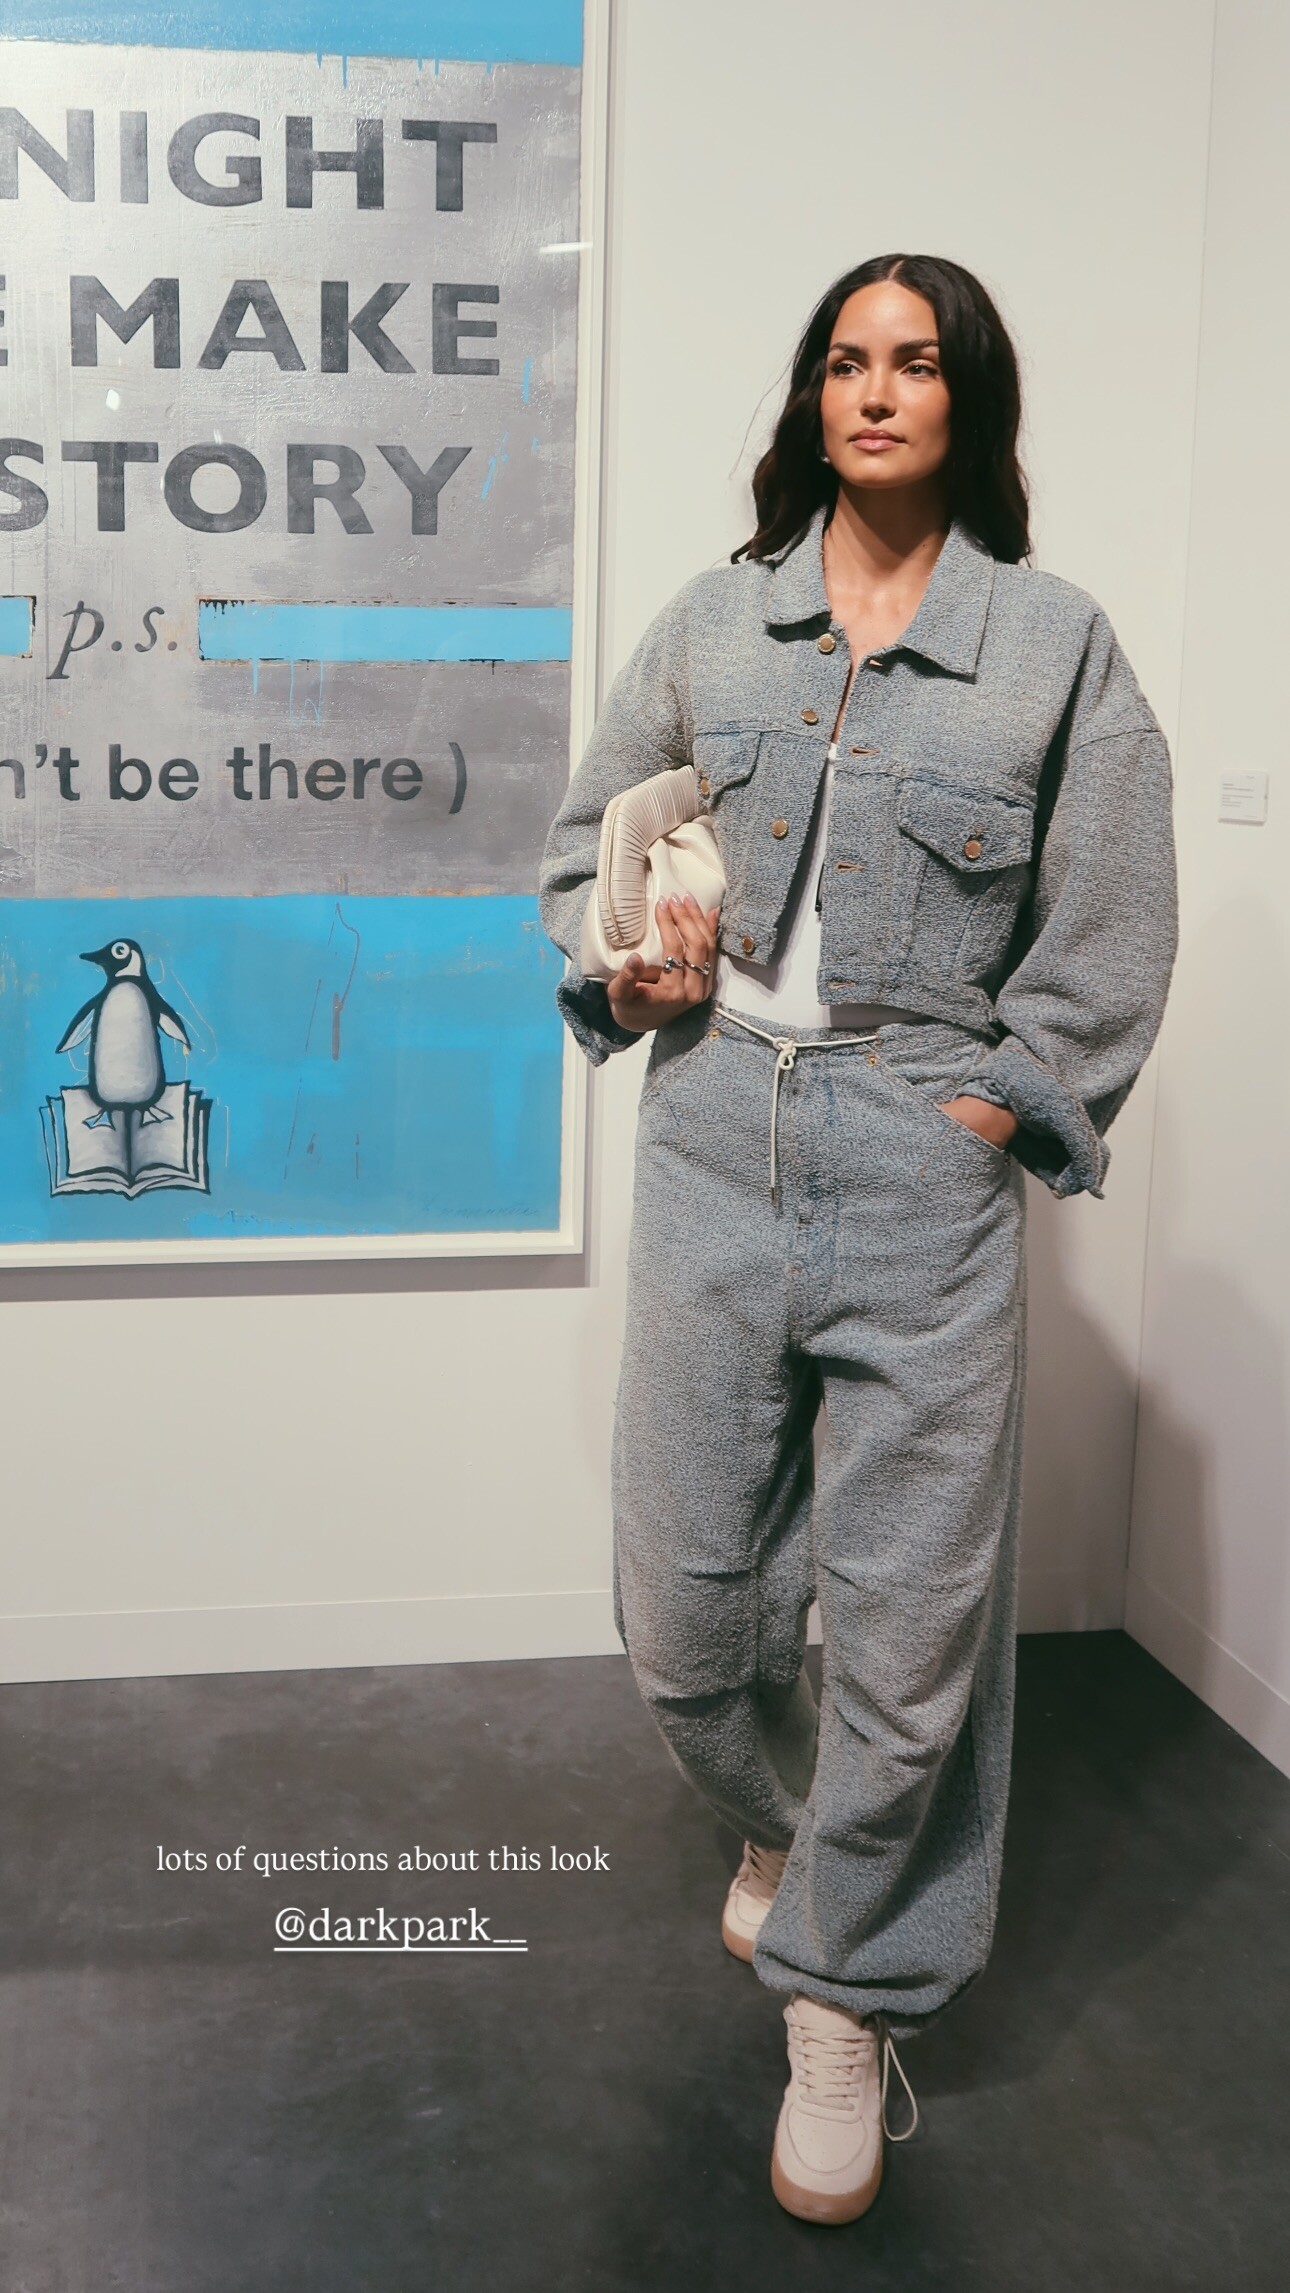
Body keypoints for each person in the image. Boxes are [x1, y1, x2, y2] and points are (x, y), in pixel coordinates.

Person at [537, 253, 1178, 2226]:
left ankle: (843, 1994)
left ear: (966, 400)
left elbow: (1110, 920)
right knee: (686, 1620)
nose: (873, 390)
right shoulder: (716, 621)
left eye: (912, 363)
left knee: (908, 1632)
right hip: (715, 1133)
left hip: (921, 1164)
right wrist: (633, 971)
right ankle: (801, 1833)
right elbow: (586, 853)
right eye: (843, 360)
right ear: (812, 399)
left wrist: (998, 1104)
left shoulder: (1053, 644)